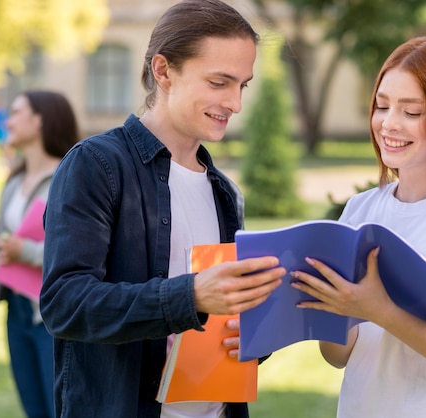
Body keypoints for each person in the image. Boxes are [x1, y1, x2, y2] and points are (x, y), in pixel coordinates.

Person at [39, 1, 286, 417]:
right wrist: (189, 295)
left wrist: (256, 334)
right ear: (163, 70)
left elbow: (222, 320)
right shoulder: (96, 166)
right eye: (219, 82)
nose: (235, 103)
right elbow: (66, 303)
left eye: (242, 85)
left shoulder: (223, 191)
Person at [290, 35, 426, 417]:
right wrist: (328, 304)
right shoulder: (361, 209)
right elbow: (338, 356)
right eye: (382, 105)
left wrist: (381, 310)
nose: (389, 124)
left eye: (411, 112)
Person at [0, 90, 79, 418]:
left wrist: (26, 252)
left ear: (40, 120)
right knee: (33, 406)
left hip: (51, 312)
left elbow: (77, 249)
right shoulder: (15, 178)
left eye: (17, 112)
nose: (7, 120)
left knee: (60, 408)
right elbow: (16, 239)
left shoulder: (71, 177)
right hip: (17, 307)